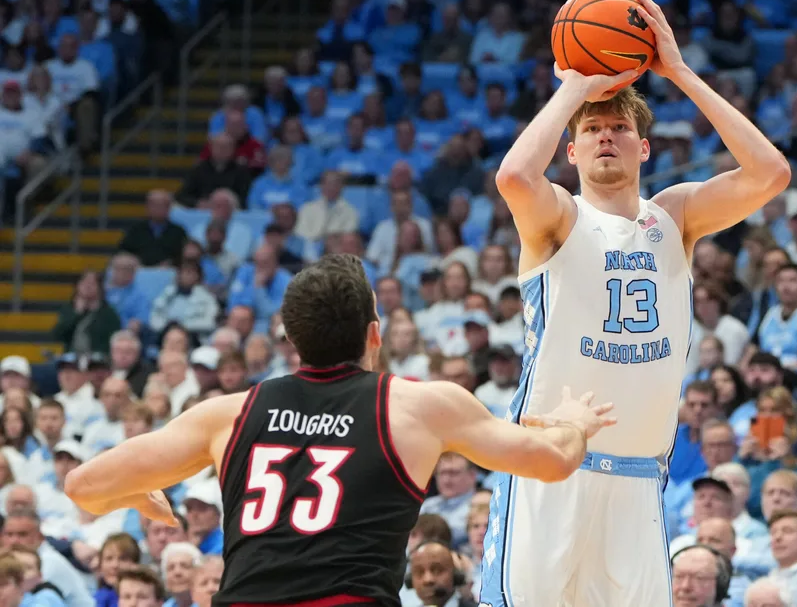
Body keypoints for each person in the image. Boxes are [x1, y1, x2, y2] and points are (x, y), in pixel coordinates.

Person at [62, 255, 617, 607]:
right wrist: (576, 423)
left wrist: (139, 495)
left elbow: (83, 486)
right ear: (374, 333)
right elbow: (553, 461)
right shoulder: (419, 407)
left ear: (294, 340)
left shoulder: (227, 413)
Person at [481, 0, 790, 607]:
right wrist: (574, 86)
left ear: (644, 147)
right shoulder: (557, 219)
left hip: (639, 478)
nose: (606, 138)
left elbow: (770, 174)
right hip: (552, 467)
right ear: (570, 151)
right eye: (592, 130)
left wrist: (677, 70)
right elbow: (514, 177)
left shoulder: (673, 216)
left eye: (620, 128)